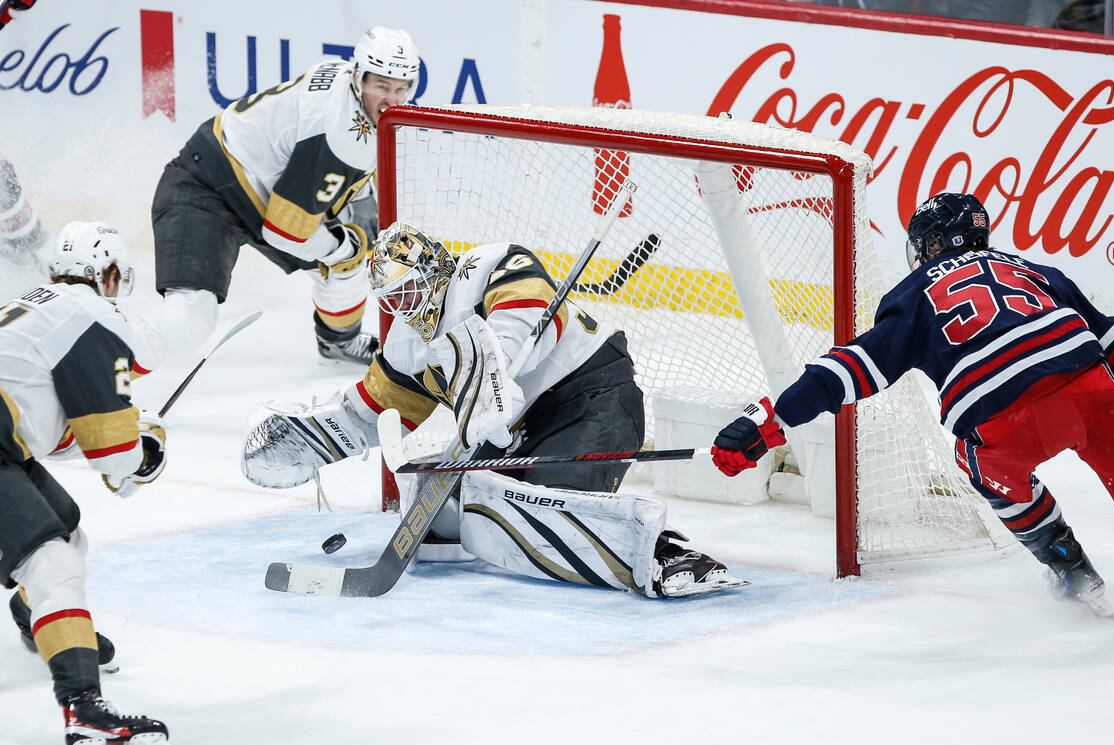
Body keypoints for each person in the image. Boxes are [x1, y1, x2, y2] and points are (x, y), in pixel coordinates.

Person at [711, 192, 1114, 617]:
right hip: (1088, 393)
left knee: (976, 463)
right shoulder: (1033, 269)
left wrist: (772, 420)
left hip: (1000, 420)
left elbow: (850, 367)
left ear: (931, 246)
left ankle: (1073, 573)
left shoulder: (914, 291)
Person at [243, 222, 747, 598]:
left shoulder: (488, 264)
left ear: (435, 266)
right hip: (517, 424)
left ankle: (668, 555)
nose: (406, 304)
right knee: (458, 506)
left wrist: (493, 379)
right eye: (394, 298)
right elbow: (374, 409)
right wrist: (316, 436)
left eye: (410, 288)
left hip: (595, 397)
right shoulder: (406, 343)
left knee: (541, 512)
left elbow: (529, 312)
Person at [137, 26, 419, 370]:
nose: (392, 99)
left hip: (261, 188)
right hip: (206, 188)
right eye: (382, 86)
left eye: (401, 88)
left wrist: (359, 207)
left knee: (346, 264)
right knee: (189, 321)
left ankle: (338, 342)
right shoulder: (340, 136)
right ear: (358, 77)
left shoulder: (340, 78)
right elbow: (284, 232)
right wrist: (348, 246)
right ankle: (99, 372)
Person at [0, 222, 168, 743]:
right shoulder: (94, 314)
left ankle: (40, 620)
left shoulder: (38, 306)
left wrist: (127, 439)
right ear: (111, 275)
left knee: (64, 529)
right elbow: (112, 455)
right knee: (53, 562)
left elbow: (50, 427)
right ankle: (84, 710)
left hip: (6, 445)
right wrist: (142, 452)